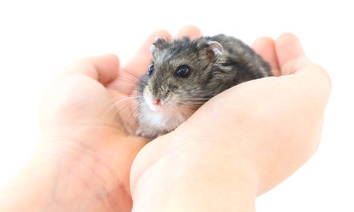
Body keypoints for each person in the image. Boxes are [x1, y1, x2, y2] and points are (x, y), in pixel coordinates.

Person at [0, 26, 331, 212]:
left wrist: (222, 153)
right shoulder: (145, 97)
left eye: (182, 73)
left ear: (209, 61)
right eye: (153, 71)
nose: (155, 94)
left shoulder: (231, 82)